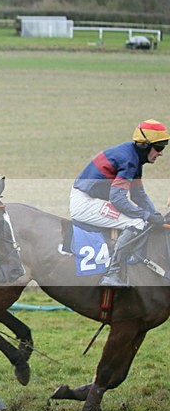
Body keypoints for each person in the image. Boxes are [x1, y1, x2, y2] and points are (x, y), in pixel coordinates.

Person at [70, 119, 168, 286]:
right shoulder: (129, 160)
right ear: (145, 145)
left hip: (92, 198)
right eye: (158, 147)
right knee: (137, 223)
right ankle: (112, 274)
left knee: (143, 219)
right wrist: (146, 216)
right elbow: (118, 199)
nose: (161, 153)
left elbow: (138, 195)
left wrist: (155, 214)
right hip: (86, 203)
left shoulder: (134, 157)